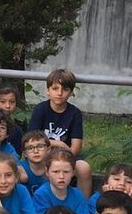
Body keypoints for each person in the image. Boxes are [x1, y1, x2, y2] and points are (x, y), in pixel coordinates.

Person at [27, 68, 92, 197]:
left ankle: (83, 205)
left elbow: (76, 147)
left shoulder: (75, 113)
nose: (60, 93)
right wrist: (58, 143)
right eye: (55, 88)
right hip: (42, 154)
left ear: (71, 92)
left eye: (65, 89)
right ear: (48, 90)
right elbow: (31, 139)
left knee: (84, 168)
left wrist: (64, 157)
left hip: (66, 156)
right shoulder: (40, 109)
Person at [32, 148, 93, 214]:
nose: (61, 176)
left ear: (73, 172)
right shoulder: (41, 195)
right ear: (47, 172)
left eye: (66, 172)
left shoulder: (77, 194)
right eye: (56, 172)